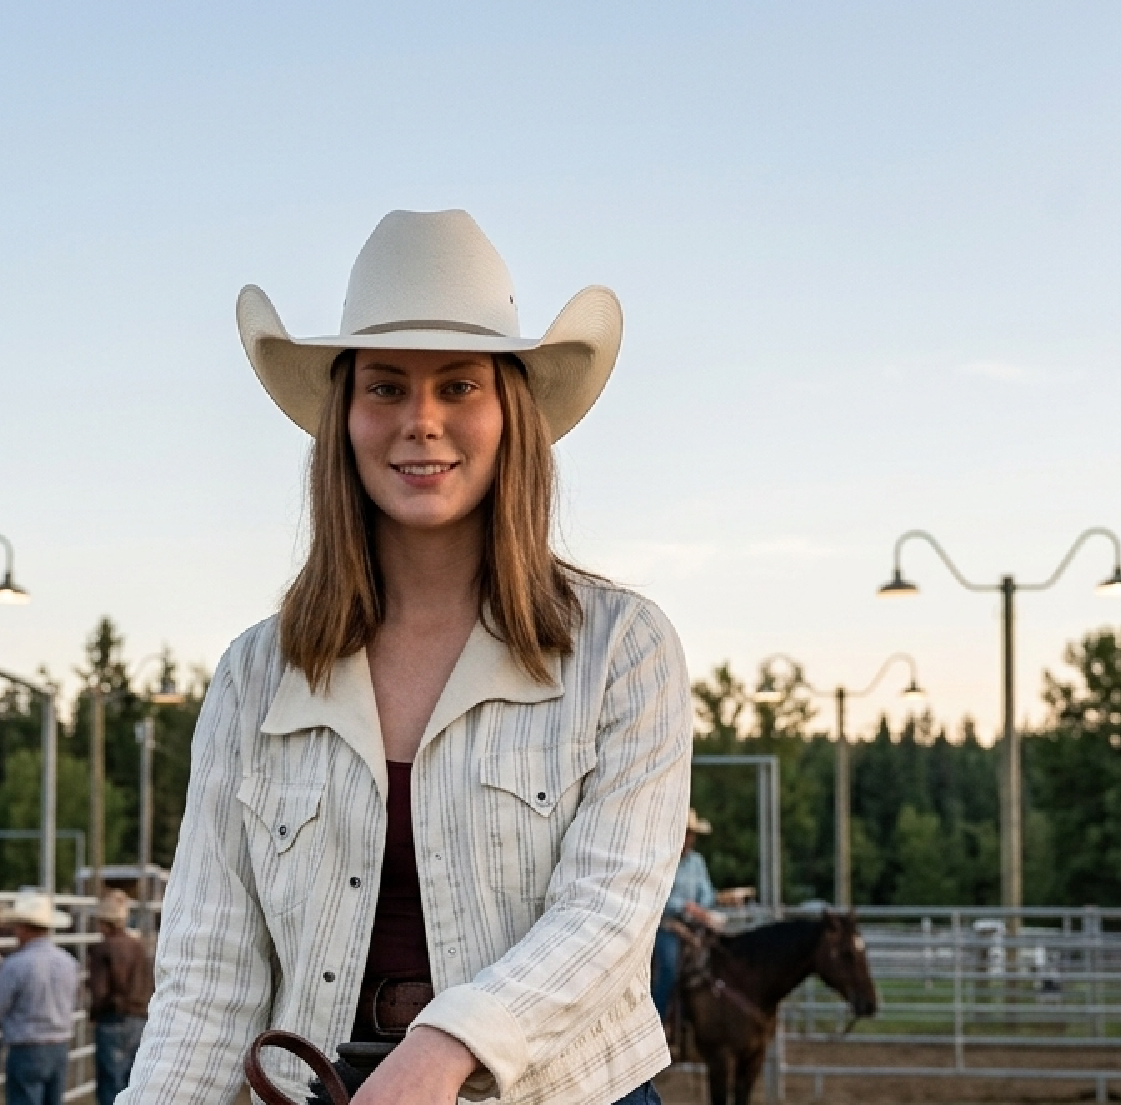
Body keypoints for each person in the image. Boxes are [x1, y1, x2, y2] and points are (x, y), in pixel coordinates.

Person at [121, 210, 693, 1105]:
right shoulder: (254, 676)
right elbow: (209, 968)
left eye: (459, 386)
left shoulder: (622, 649)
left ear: (511, 413)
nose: (421, 421)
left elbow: (608, 910)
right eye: (386, 388)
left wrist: (443, 1047)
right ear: (344, 416)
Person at [0, 894, 80, 1105]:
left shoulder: (16, 965)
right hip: (59, 1046)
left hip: (27, 1048)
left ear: (24, 928)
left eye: (17, 926)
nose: (14, 931)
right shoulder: (68, 963)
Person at [651, 809, 721, 1029]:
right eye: (686, 833)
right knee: (669, 969)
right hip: (668, 926)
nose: (689, 838)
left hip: (694, 925)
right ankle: (657, 1024)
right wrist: (685, 907)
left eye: (691, 834)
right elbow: (658, 896)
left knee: (719, 959)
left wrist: (701, 906)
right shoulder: (661, 861)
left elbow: (707, 891)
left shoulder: (696, 862)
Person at [86, 890, 152, 1105]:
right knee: (132, 1082)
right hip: (139, 1018)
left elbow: (100, 991)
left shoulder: (102, 949)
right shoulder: (138, 946)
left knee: (110, 1084)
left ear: (104, 922)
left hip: (112, 1019)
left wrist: (94, 1012)